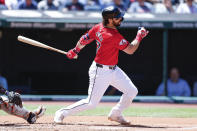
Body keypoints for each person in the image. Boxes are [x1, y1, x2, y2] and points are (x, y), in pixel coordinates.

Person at [54, 6, 149, 125]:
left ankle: (116, 113)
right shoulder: (112, 35)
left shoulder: (98, 27)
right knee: (91, 103)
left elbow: (84, 40)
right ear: (109, 20)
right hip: (100, 72)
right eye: (118, 17)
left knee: (132, 91)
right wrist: (139, 36)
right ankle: (62, 112)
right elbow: (130, 50)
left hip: (114, 70)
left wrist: (76, 50)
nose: (121, 19)